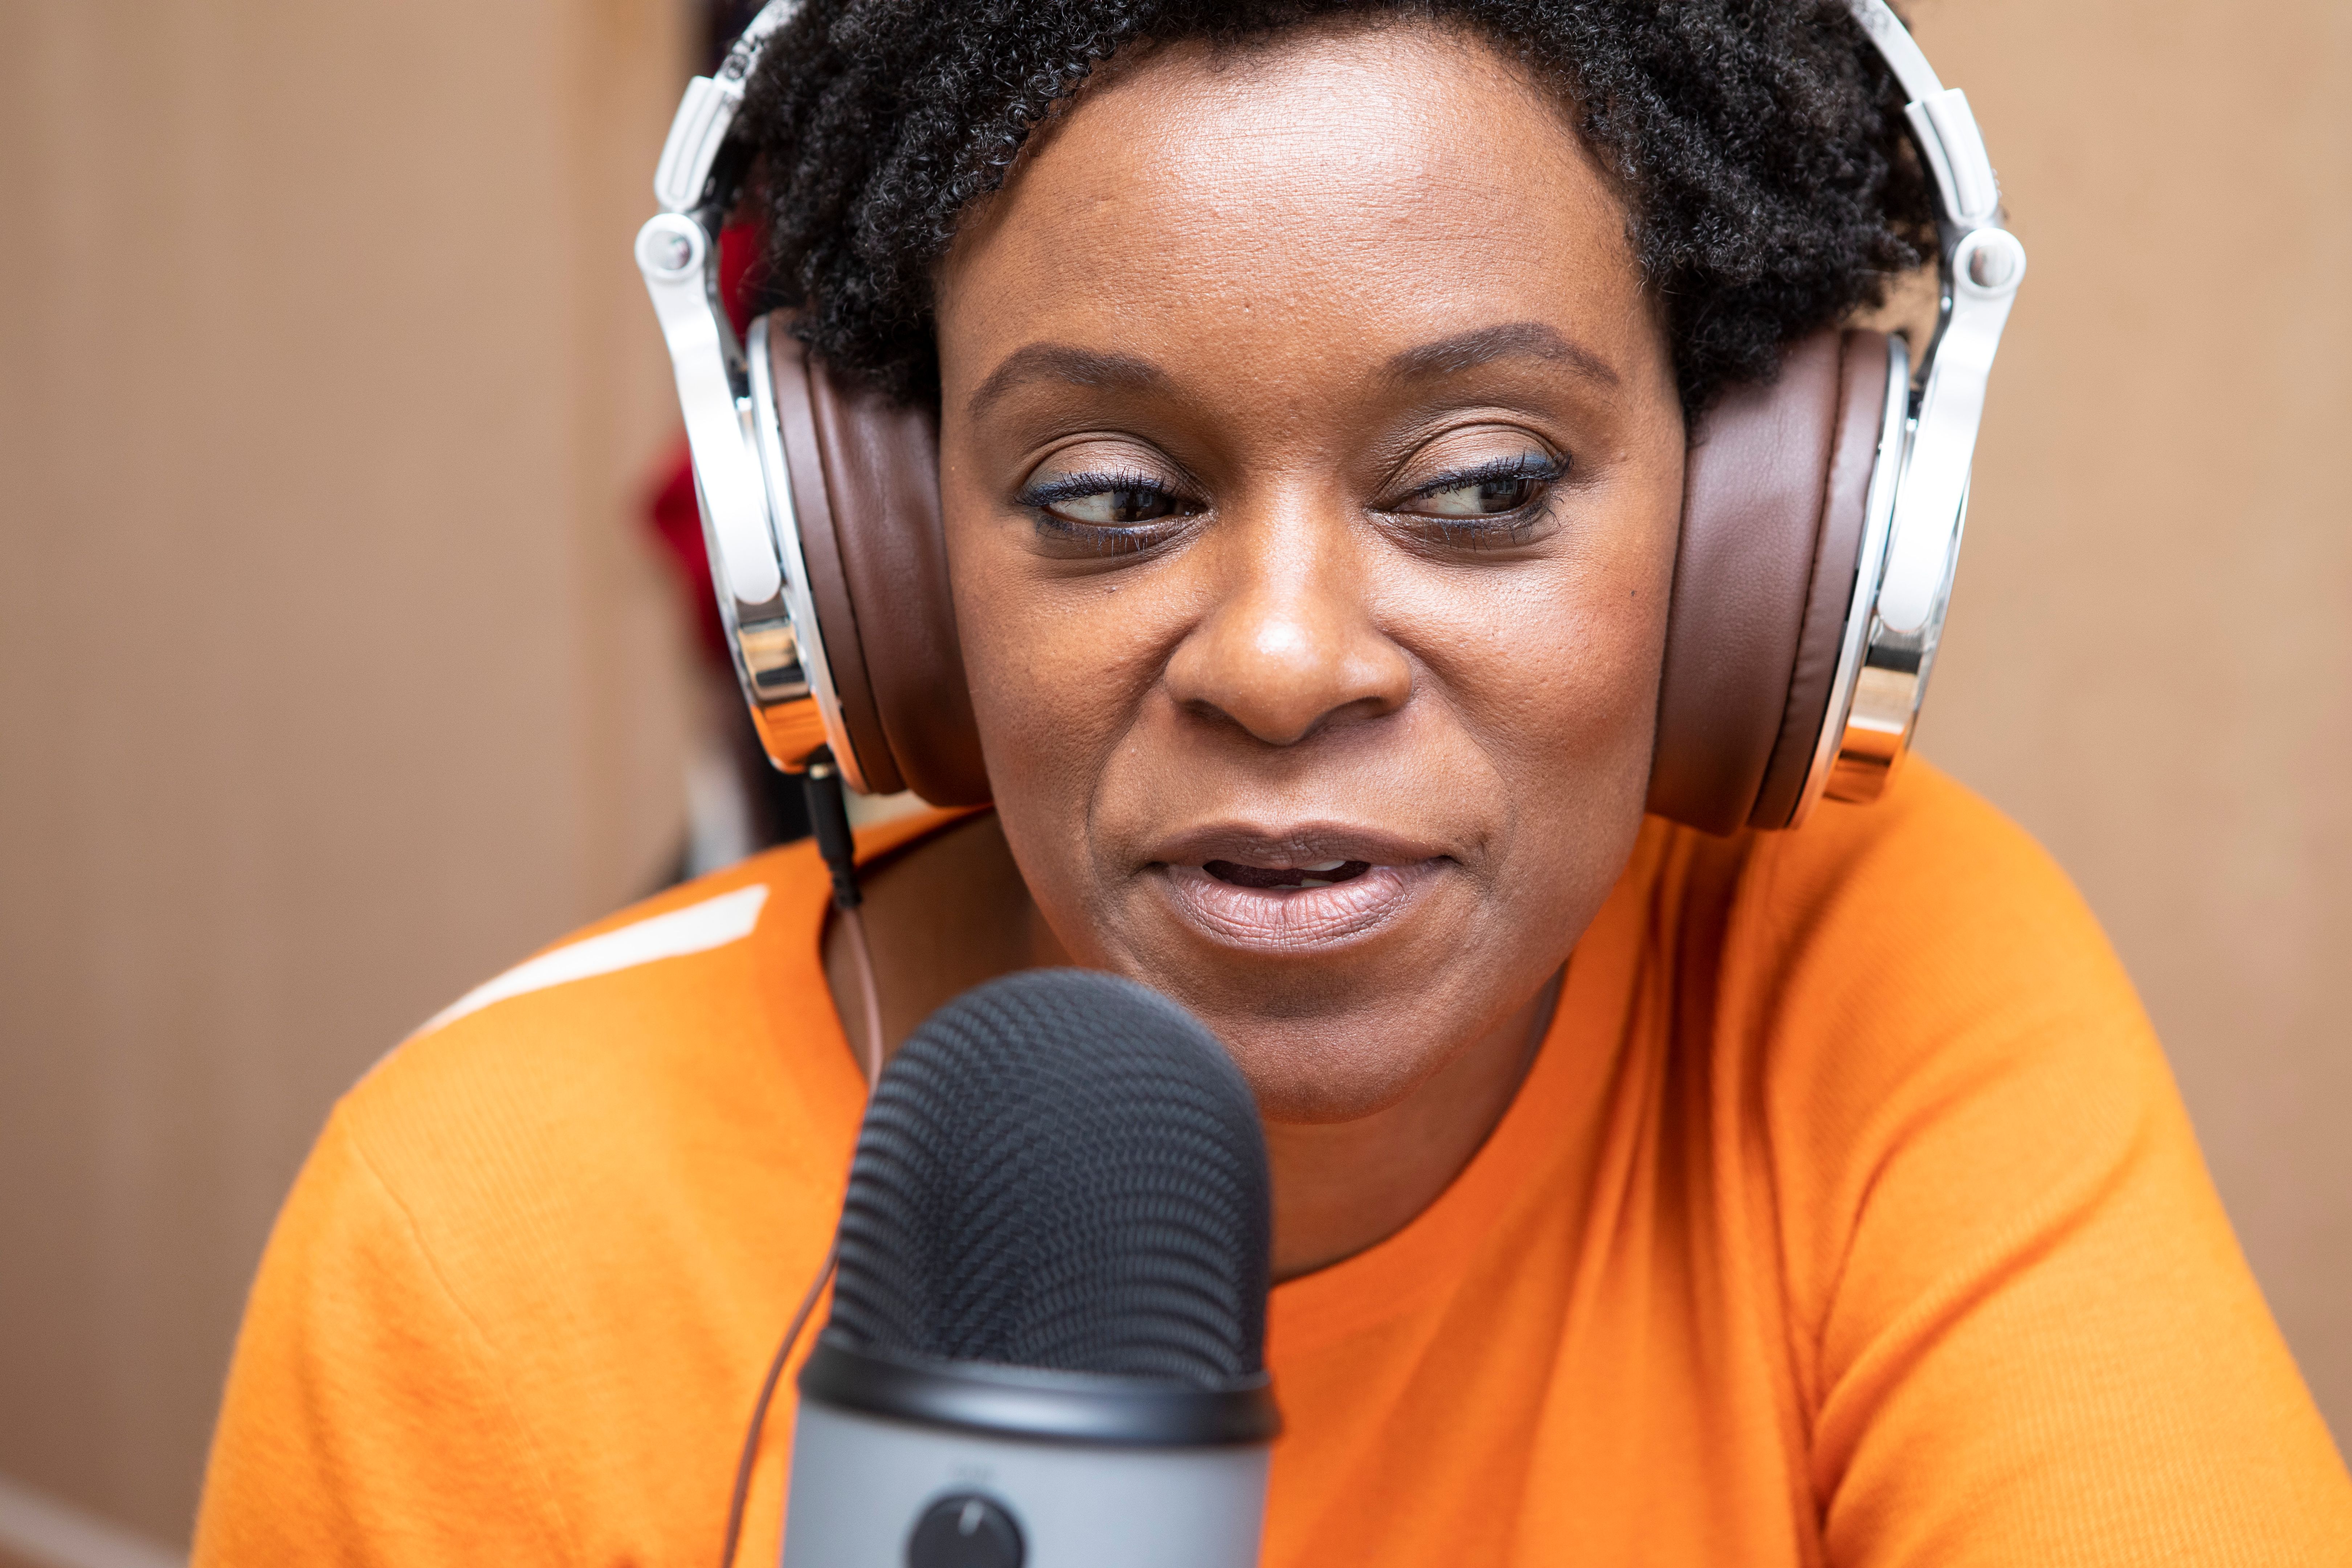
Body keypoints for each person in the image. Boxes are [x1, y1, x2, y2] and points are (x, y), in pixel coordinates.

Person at [192, 2, 2352, 1563]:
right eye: (1109, 496)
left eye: (1483, 485)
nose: (1287, 662)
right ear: (886, 569)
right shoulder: (473, 1237)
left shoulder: (1870, 979)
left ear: (1752, 544)